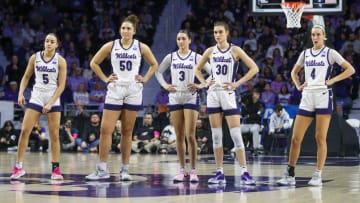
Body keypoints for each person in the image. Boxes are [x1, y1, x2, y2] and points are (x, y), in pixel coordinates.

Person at [277, 22, 355, 186]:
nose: (315, 37)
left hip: (322, 96)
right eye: (313, 35)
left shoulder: (330, 53)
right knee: (295, 139)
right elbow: (293, 72)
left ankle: (318, 174)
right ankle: (290, 174)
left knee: (320, 137)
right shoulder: (305, 54)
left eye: (318, 34)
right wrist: (298, 85)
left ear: (324, 36)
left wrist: (333, 80)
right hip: (307, 96)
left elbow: (350, 69)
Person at [86, 14, 158, 181]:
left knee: (127, 131)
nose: (125, 31)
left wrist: (145, 78)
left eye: (129, 29)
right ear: (120, 30)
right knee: (105, 130)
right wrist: (105, 79)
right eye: (123, 28)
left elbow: (154, 64)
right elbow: (94, 63)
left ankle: (125, 169)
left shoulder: (141, 47)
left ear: (134, 31)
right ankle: (102, 169)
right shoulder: (111, 45)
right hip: (115, 89)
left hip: (133, 90)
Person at [194, 21, 259, 185]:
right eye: (215, 32)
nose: (217, 35)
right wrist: (203, 82)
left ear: (227, 33)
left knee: (236, 135)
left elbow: (254, 68)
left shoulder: (235, 50)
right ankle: (219, 172)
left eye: (220, 32)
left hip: (228, 94)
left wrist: (237, 83)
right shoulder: (210, 51)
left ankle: (245, 172)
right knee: (216, 136)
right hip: (213, 94)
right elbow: (197, 69)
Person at [155, 29, 211, 182]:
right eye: (178, 39)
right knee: (179, 135)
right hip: (174, 97)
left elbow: (212, 71)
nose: (181, 41)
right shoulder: (171, 57)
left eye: (183, 38)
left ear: (189, 40)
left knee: (190, 135)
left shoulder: (196, 57)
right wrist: (166, 86)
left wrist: (201, 85)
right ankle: (181, 170)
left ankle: (193, 170)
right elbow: (158, 72)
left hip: (190, 97)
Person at [10, 33, 67, 180]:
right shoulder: (35, 57)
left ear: (57, 45)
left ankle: (55, 169)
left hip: (53, 96)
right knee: (24, 131)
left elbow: (62, 86)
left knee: (54, 135)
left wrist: (50, 102)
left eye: (52, 41)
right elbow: (26, 77)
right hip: (37, 95)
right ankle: (18, 167)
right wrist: (21, 93)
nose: (48, 43)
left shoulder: (60, 61)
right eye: (47, 41)